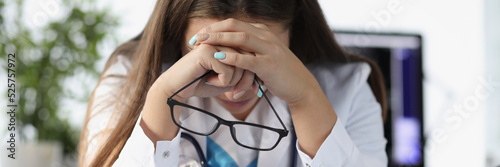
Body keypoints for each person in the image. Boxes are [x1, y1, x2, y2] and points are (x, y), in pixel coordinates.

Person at [78, 0, 388, 166]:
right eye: (213, 59)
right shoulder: (126, 83)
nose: (236, 86)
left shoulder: (350, 90)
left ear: (293, 34)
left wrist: (305, 99)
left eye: (258, 57)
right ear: (176, 36)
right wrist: (161, 98)